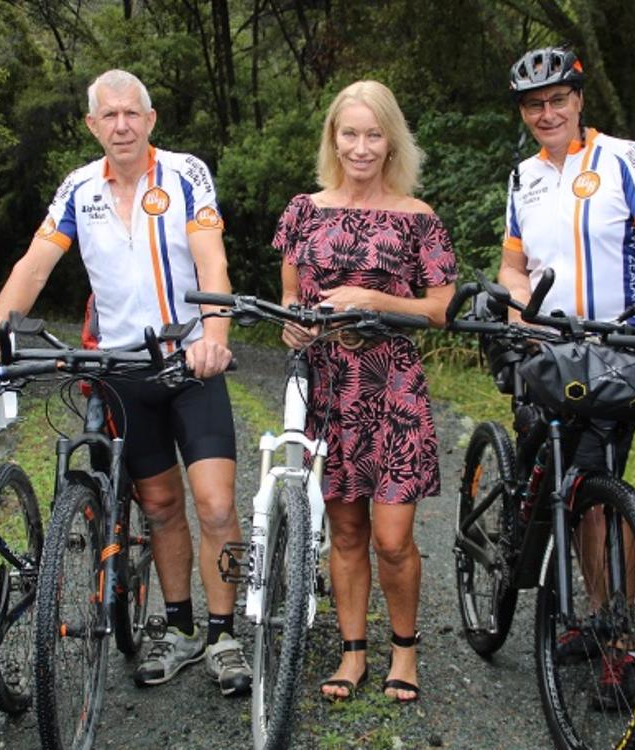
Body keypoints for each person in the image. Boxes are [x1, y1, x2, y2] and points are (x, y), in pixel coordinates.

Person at [0, 69, 251, 696]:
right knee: (161, 506)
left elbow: (213, 260)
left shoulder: (184, 173)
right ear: (93, 126)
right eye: (109, 116)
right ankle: (179, 628)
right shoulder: (78, 188)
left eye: (132, 113)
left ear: (150, 120)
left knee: (216, 503)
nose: (122, 126)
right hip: (121, 370)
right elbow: (34, 268)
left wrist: (215, 336)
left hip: (188, 361)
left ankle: (224, 635)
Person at [498, 47, 635, 703]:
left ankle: (617, 636)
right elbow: (514, 266)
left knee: (598, 490)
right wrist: (518, 312)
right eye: (534, 104)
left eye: (558, 99)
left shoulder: (622, 158)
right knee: (559, 481)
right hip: (548, 352)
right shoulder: (523, 176)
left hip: (616, 350)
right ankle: (590, 611)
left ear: (579, 100)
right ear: (524, 113)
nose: (547, 113)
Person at [272, 80, 458, 703]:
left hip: (392, 387)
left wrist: (373, 298)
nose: (360, 147)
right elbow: (289, 299)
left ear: (391, 141)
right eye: (349, 133)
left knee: (392, 538)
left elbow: (440, 309)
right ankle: (352, 652)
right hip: (327, 385)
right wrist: (293, 326)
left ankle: (404, 649)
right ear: (333, 139)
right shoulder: (304, 210)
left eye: (373, 134)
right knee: (346, 532)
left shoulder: (418, 217)